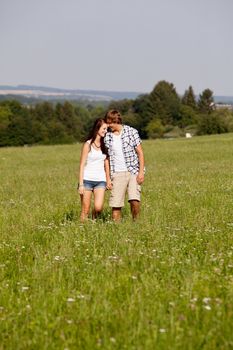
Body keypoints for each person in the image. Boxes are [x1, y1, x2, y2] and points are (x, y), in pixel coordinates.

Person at [104, 109, 145, 221]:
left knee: (134, 199)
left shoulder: (131, 132)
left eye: (109, 123)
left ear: (116, 121)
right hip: (116, 173)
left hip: (133, 171)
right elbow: (106, 158)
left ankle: (136, 222)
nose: (108, 125)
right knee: (116, 204)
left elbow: (140, 153)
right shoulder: (107, 136)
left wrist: (141, 172)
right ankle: (117, 230)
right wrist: (108, 178)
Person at [78, 118, 112, 222]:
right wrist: (81, 184)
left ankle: (93, 222)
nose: (106, 131)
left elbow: (106, 164)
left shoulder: (105, 145)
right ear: (97, 129)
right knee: (85, 209)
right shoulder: (88, 145)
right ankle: (82, 229)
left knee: (98, 207)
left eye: (106, 129)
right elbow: (82, 165)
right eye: (104, 129)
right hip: (87, 180)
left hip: (100, 181)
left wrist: (108, 179)